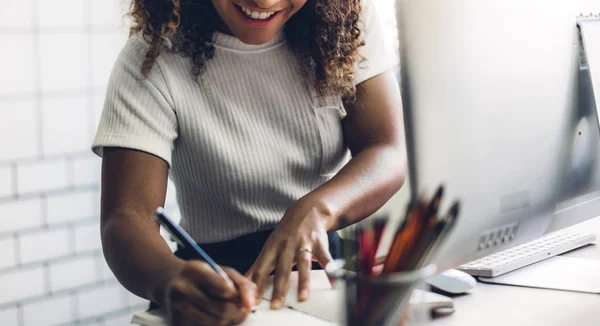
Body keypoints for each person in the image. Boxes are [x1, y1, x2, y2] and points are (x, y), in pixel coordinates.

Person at [92, 0, 405, 324]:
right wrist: (169, 279)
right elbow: (126, 217)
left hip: (321, 280)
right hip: (211, 283)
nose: (265, 2)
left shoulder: (344, 24)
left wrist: (319, 209)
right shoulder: (152, 56)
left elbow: (386, 149)